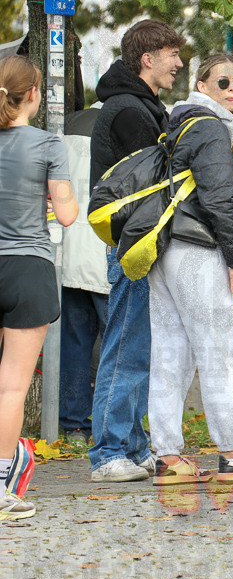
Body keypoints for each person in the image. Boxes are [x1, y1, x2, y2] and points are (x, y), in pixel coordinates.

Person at [147, 54, 233, 484]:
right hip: (198, 253)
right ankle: (232, 455)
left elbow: (197, 188)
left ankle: (167, 457)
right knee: (220, 353)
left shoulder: (180, 122)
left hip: (166, 250)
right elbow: (217, 205)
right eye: (223, 82)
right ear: (201, 85)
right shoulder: (212, 126)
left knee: (170, 353)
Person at [89, 20, 185, 482]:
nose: (179, 63)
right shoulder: (130, 111)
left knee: (140, 348)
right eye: (172, 54)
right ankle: (108, 453)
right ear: (148, 59)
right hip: (134, 246)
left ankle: (133, 446)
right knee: (126, 346)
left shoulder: (140, 106)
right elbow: (155, 185)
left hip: (139, 244)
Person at [0, 55, 78, 519]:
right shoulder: (48, 144)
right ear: (34, 94)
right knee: (11, 387)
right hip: (27, 268)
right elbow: (67, 215)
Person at [60, 105, 109, 448]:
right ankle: (111, 425)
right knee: (119, 346)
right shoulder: (133, 121)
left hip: (70, 251)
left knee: (74, 343)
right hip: (107, 253)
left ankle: (74, 425)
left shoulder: (67, 125)